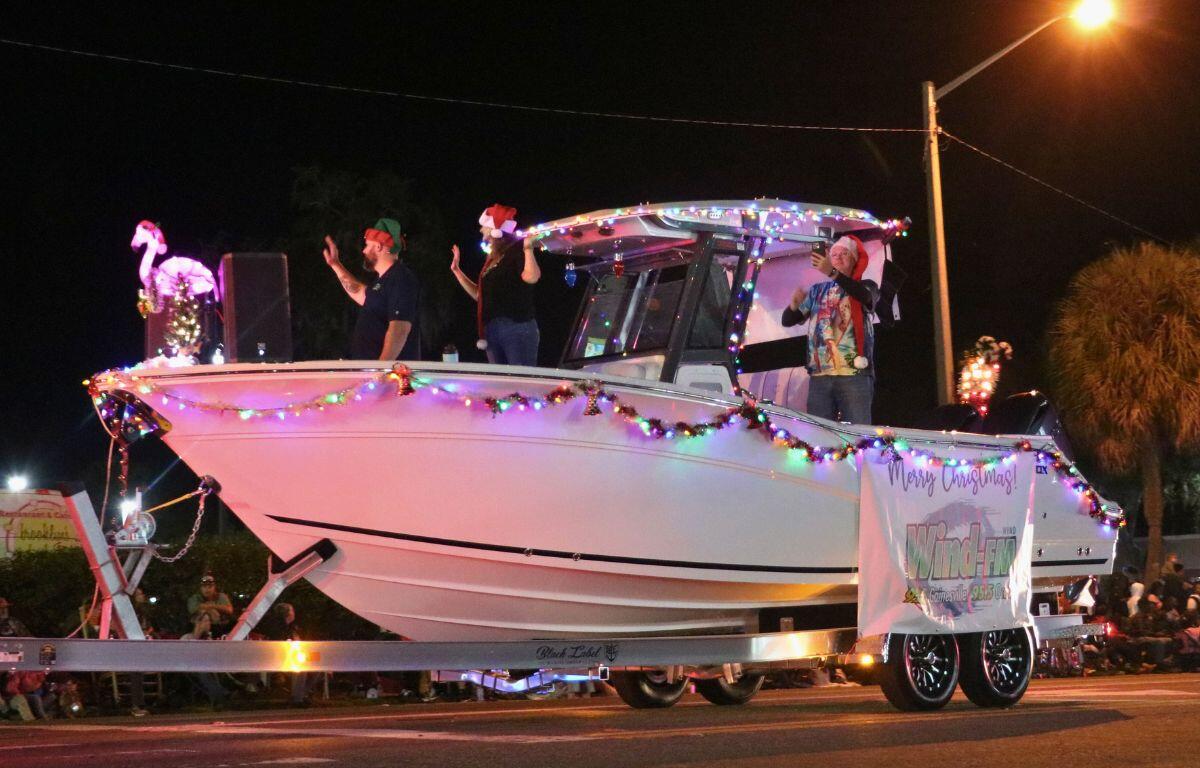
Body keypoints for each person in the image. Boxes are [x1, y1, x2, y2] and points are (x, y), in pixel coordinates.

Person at [781, 235, 879, 424]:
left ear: (854, 260)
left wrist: (833, 272)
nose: (838, 257)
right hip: (820, 376)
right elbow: (788, 321)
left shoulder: (866, 285)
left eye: (844, 254)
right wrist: (793, 306)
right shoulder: (817, 290)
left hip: (854, 376)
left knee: (858, 435)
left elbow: (864, 297)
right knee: (818, 434)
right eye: (834, 254)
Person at [450, 204, 541, 366]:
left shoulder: (516, 250)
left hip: (516, 327)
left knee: (520, 386)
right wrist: (456, 270)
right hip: (492, 329)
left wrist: (528, 249)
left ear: (495, 229)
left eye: (483, 227)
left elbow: (532, 277)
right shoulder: (492, 259)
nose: (480, 231)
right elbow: (480, 296)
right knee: (501, 387)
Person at [323, 218, 421, 361]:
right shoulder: (382, 281)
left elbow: (399, 329)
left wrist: (380, 370)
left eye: (367, 245)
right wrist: (335, 265)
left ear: (379, 246)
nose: (363, 250)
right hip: (374, 374)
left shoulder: (401, 278)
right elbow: (359, 293)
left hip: (390, 377)